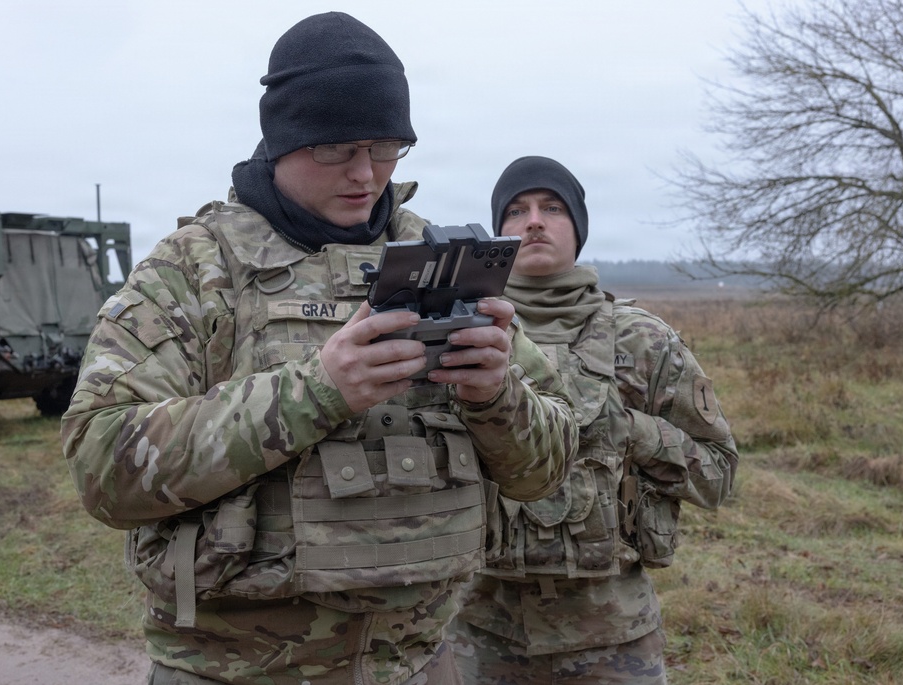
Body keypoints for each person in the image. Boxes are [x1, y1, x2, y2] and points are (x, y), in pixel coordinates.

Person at [61, 17, 577, 685]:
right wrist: (315, 390)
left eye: (387, 147)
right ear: (282, 141)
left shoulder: (441, 258)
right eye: (336, 149)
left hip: (420, 664)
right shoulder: (195, 270)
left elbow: (547, 470)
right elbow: (102, 466)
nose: (365, 173)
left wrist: (495, 395)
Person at [448, 156, 739, 684]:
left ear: (578, 228)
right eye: (516, 211)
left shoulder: (643, 340)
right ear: (498, 235)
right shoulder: (459, 334)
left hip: (613, 637)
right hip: (474, 630)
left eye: (552, 207)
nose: (534, 220)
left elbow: (718, 474)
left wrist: (629, 429)